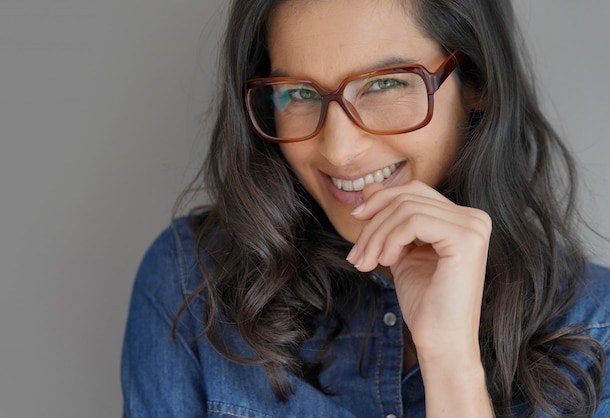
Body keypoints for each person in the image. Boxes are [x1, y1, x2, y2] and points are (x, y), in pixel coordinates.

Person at [121, 0, 610, 416]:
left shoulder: (597, 328)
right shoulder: (190, 284)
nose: (338, 149)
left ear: (476, 80)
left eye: (384, 84)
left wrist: (450, 364)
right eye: (300, 93)